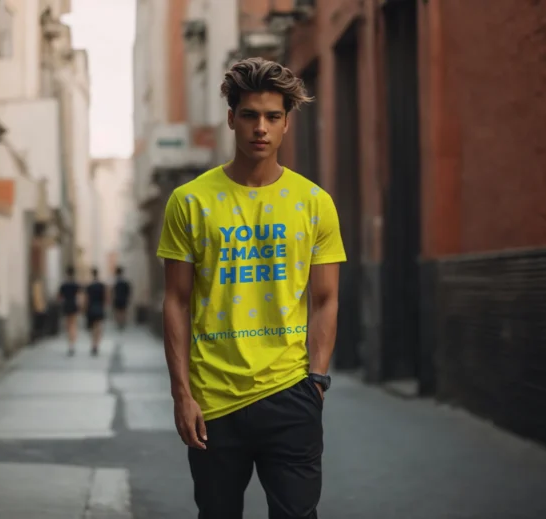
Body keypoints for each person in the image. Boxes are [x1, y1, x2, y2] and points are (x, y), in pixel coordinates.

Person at [156, 57, 346, 519]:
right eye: (249, 115)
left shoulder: (315, 203)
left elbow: (325, 300)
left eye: (272, 117)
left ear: (286, 124)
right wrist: (182, 394)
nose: (260, 127)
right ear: (231, 118)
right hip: (213, 400)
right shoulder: (190, 201)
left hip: (291, 393)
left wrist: (316, 381)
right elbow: (176, 302)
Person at [58, 266, 81, 356]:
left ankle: (70, 344)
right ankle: (72, 343)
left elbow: (60, 297)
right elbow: (79, 296)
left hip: (66, 305)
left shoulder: (64, 285)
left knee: (68, 325)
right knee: (73, 325)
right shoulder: (75, 284)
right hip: (73, 305)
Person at [85, 268, 107, 356]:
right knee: (98, 326)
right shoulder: (102, 285)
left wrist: (85, 308)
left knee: (93, 327)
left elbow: (86, 299)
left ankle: (93, 344)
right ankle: (96, 344)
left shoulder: (89, 286)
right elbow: (106, 297)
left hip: (91, 308)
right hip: (99, 307)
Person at [112, 266, 132, 331]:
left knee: (118, 311)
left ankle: (119, 323)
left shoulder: (115, 282)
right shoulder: (125, 281)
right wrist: (128, 298)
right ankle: (122, 323)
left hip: (117, 298)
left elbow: (113, 291)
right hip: (124, 298)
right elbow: (128, 291)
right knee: (123, 311)